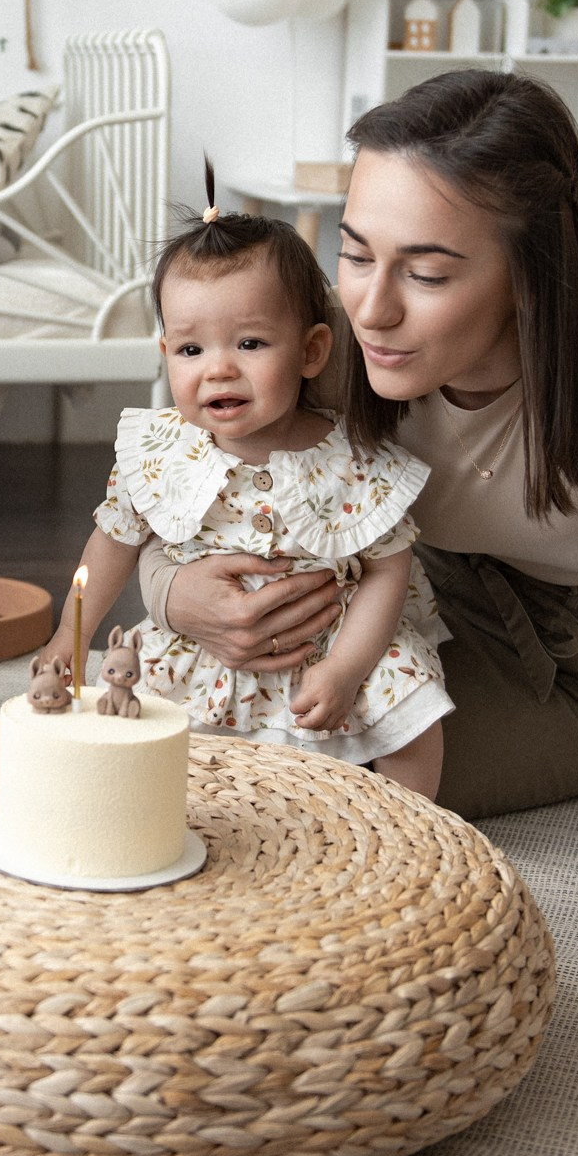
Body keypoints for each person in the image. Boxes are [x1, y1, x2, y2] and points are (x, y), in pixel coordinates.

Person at [137, 70, 578, 990]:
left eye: (430, 273)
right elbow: (170, 490)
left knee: (326, 792)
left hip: (573, 660)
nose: (371, 307)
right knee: (165, 749)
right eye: (356, 251)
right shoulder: (331, 330)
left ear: (533, 273)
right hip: (399, 603)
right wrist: (176, 594)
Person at [41, 204, 449, 797]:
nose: (218, 370)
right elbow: (111, 545)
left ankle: (411, 824)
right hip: (201, 648)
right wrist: (69, 639)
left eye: (251, 343)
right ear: (165, 353)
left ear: (311, 352)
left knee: (413, 705)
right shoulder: (159, 451)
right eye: (190, 351)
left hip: (331, 643)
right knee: (128, 708)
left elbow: (389, 567)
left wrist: (346, 669)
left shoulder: (349, 456)